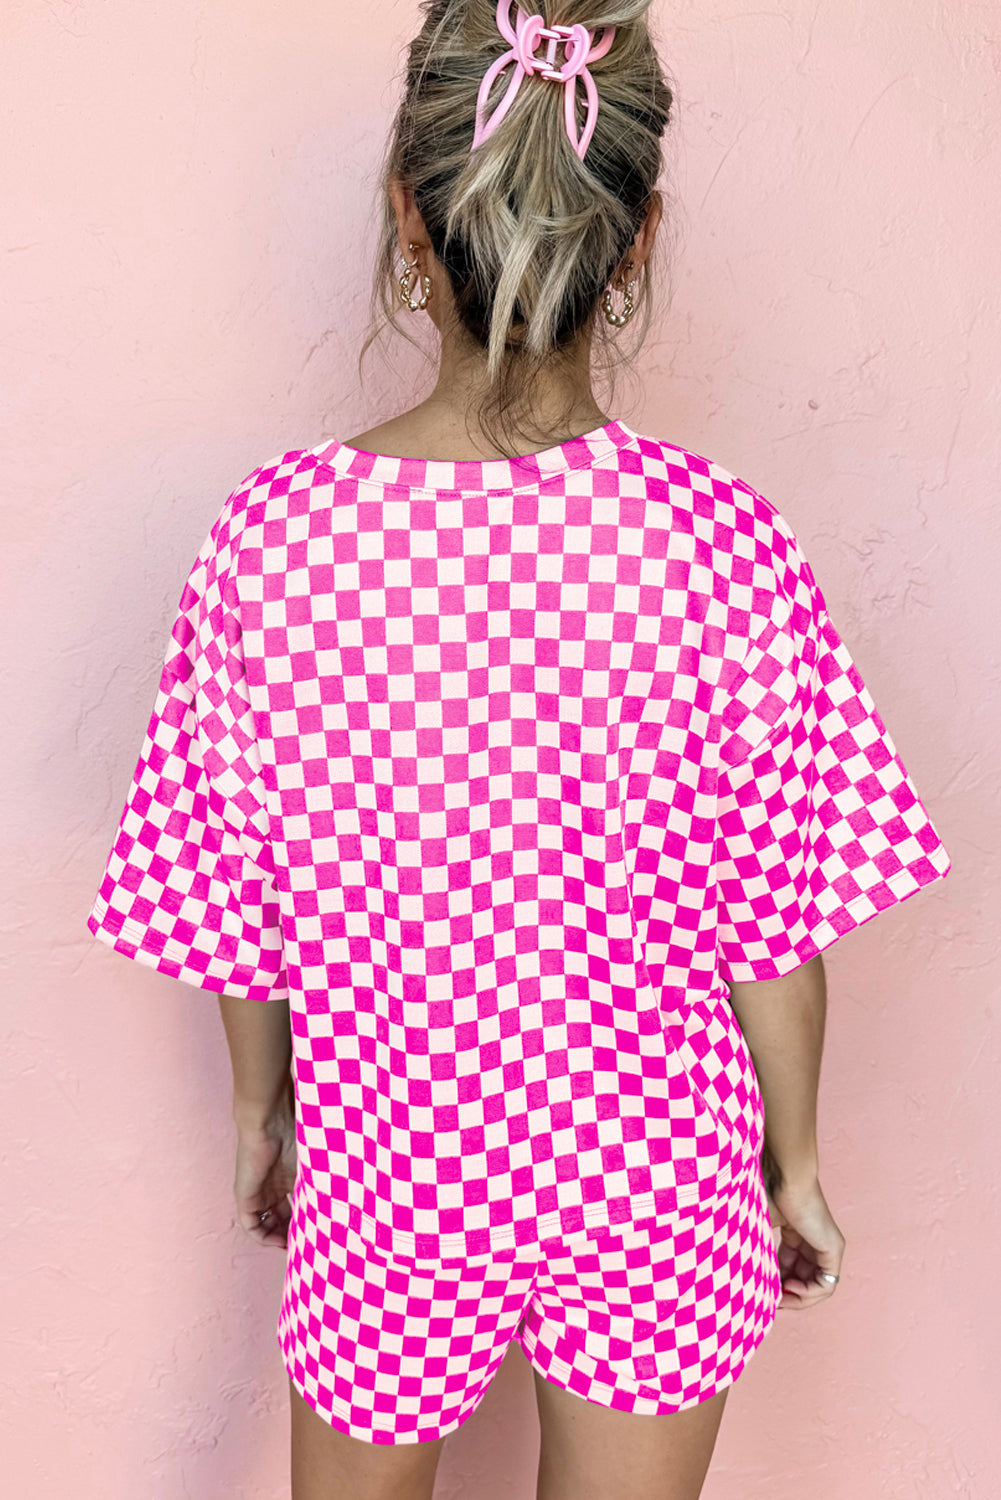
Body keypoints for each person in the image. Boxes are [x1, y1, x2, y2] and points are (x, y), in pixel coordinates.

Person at [86, 2, 952, 1496]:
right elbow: (777, 933)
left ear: (405, 222)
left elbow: (230, 905)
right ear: (636, 237)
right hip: (657, 1181)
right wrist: (798, 1164)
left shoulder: (271, 541)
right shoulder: (722, 542)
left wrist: (261, 1119)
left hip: (392, 1168)